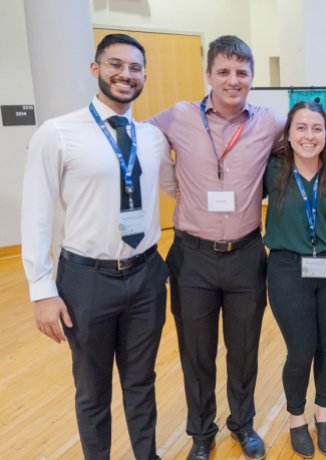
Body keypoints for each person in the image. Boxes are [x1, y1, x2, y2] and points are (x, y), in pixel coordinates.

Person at [21, 34, 172, 460]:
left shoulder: (152, 137)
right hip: (87, 281)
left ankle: (147, 454)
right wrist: (42, 289)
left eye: (136, 68)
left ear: (144, 75)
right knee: (92, 389)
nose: (126, 74)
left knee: (141, 381)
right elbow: (37, 213)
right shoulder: (58, 133)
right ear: (96, 69)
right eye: (116, 64)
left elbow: (178, 188)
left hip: (145, 276)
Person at [148, 35, 285, 460]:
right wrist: (172, 185)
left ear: (252, 78)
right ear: (208, 75)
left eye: (242, 73)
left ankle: (243, 424)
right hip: (192, 258)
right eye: (223, 71)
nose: (233, 80)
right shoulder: (178, 116)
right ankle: (201, 433)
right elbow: (135, 142)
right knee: (196, 352)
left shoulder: (269, 122)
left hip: (246, 256)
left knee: (244, 352)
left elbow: (318, 129)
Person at [263, 101, 326, 458]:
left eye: (317, 128)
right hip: (287, 270)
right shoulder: (271, 170)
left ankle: (324, 415)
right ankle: (297, 419)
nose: (309, 136)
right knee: (300, 350)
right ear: (287, 134)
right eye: (300, 128)